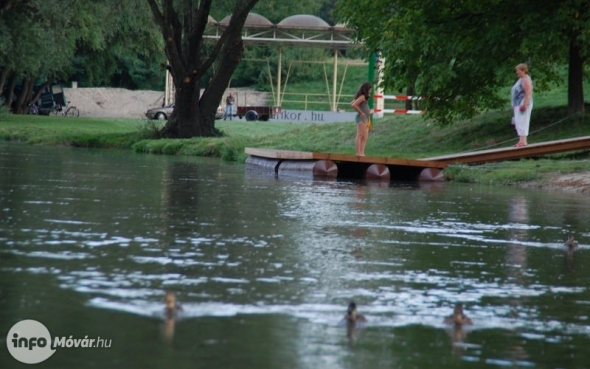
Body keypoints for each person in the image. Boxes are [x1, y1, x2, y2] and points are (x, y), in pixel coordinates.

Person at [511, 63, 533, 148]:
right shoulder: (520, 79)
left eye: (518, 70)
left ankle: (524, 141)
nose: (517, 72)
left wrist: (525, 104)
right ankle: (520, 140)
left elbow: (528, 92)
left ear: (524, 70)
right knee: (518, 121)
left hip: (523, 103)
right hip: (517, 104)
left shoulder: (526, 79)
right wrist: (513, 104)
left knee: (523, 120)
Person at [351, 82, 373, 156]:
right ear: (366, 89)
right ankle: (358, 153)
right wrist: (361, 113)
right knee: (360, 135)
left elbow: (352, 103)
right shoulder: (362, 97)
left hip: (366, 118)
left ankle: (362, 153)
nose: (370, 91)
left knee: (365, 136)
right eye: (370, 89)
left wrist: (369, 112)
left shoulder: (363, 97)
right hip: (361, 118)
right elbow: (354, 105)